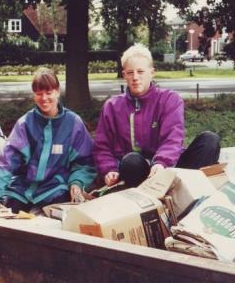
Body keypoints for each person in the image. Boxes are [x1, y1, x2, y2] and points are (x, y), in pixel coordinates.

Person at [0, 67, 96, 213]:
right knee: (5, 222)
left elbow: (85, 163)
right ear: (34, 95)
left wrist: (77, 182)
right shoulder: (24, 124)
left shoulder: (73, 123)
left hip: (55, 190)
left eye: (49, 92)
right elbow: (6, 165)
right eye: (39, 94)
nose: (44, 98)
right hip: (21, 190)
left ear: (57, 91)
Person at [94, 43, 220, 188]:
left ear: (151, 72)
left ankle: (188, 191)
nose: (135, 77)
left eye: (140, 71)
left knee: (210, 140)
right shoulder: (111, 106)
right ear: (124, 75)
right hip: (134, 171)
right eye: (130, 72)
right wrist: (109, 169)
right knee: (131, 161)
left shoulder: (170, 99)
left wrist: (161, 163)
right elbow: (101, 147)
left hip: (169, 167)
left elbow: (173, 138)